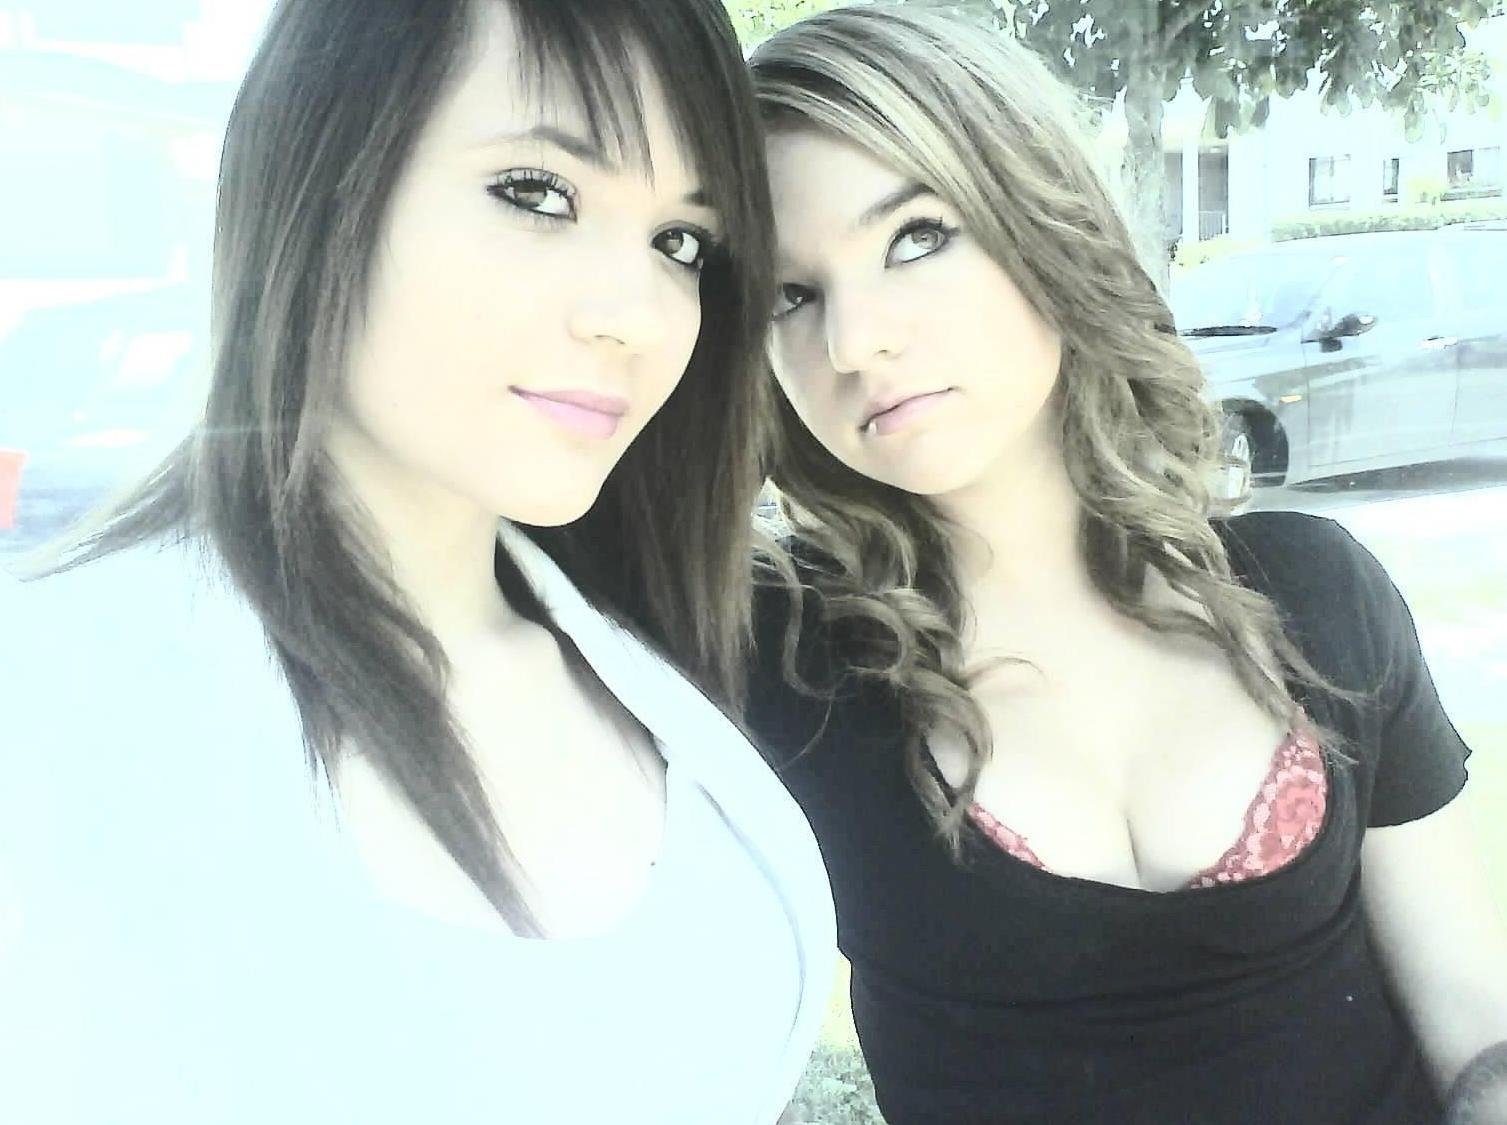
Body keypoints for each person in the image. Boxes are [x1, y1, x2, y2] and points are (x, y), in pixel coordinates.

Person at [0, 1, 835, 1121]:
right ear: (317, 183)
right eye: (537, 193)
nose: (636, 316)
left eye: (679, 241)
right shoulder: (49, 698)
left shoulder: (656, 673)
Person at [742, 7, 1507, 1123]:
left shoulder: (1311, 590)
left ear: (1040, 224)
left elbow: (1470, 1015)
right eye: (788, 295)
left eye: (914, 237)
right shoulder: (774, 656)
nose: (853, 341)